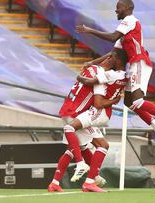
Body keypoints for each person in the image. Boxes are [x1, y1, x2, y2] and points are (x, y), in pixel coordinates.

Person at [75, 0, 155, 150]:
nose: (116, 10)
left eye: (119, 7)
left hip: (139, 63)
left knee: (137, 101)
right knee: (129, 103)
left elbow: (112, 37)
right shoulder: (124, 34)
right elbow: (113, 53)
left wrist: (89, 30)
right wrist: (92, 62)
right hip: (133, 65)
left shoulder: (130, 20)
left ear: (128, 8)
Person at [48, 50, 128, 192]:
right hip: (76, 112)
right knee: (101, 144)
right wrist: (114, 100)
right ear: (110, 60)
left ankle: (55, 182)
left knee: (74, 148)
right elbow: (98, 101)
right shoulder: (101, 75)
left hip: (66, 109)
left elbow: (91, 67)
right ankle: (87, 173)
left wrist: (83, 72)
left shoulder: (89, 68)